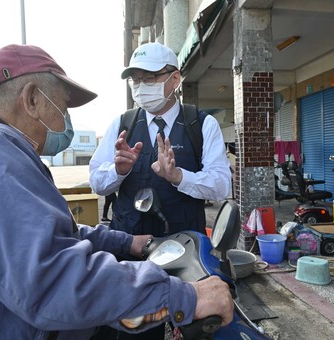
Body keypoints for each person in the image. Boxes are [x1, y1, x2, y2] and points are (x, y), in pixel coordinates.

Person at [0, 44, 233, 339]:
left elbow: (52, 233)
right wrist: (183, 298)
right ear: (32, 100)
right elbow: (49, 279)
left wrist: (127, 241)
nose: (66, 120)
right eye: (64, 106)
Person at [88, 42, 232, 339]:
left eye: (150, 78)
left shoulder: (200, 124)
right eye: (136, 80)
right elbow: (96, 181)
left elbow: (221, 185)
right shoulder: (122, 124)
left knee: (193, 325)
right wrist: (119, 170)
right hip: (132, 246)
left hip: (185, 251)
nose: (141, 87)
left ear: (175, 79)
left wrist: (178, 176)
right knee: (136, 328)